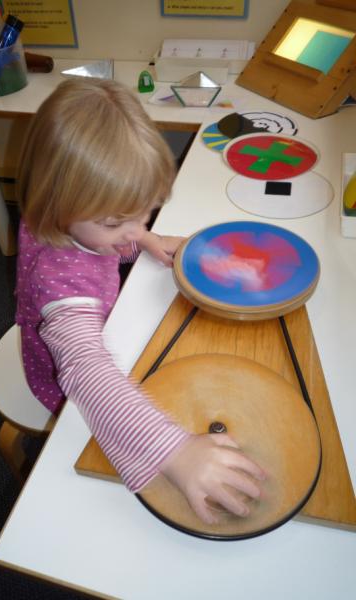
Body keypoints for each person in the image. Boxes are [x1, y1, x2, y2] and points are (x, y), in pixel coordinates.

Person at [15, 77, 266, 524]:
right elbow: (85, 372)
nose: (134, 228)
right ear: (56, 205)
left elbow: (100, 239)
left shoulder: (68, 218)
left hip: (90, 330)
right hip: (63, 380)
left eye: (145, 210)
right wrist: (176, 452)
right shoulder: (63, 281)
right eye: (116, 222)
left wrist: (144, 240)